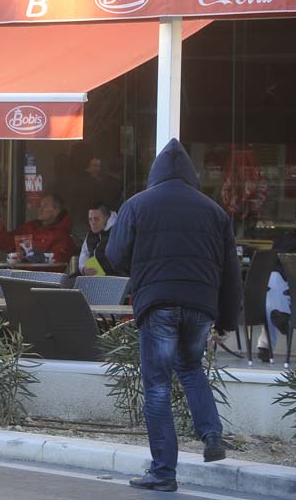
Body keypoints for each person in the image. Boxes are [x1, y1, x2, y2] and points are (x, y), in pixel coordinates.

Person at [106, 139, 241, 493]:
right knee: (191, 367)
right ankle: (212, 434)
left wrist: (143, 263)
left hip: (158, 304)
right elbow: (231, 274)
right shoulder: (215, 212)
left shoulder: (137, 204)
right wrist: (227, 320)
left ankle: (164, 472)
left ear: (155, 173)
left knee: (158, 386)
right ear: (191, 176)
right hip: (200, 306)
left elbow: (115, 255)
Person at [255, 209, 296, 361]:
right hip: (286, 289)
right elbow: (273, 264)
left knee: (272, 301)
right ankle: (281, 316)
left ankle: (266, 344)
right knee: (273, 280)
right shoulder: (287, 241)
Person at [0, 193, 75, 263]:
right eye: (39, 205)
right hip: (21, 276)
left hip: (45, 282)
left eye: (45, 206)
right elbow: (9, 245)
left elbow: (55, 265)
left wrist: (32, 261)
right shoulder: (30, 227)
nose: (40, 209)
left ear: (56, 211)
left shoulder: (63, 236)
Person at [78, 202, 119, 276]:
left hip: (115, 277)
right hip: (94, 276)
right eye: (90, 219)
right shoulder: (91, 234)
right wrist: (83, 268)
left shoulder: (118, 231)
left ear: (106, 218)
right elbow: (84, 252)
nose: (93, 223)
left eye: (96, 219)